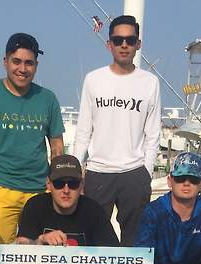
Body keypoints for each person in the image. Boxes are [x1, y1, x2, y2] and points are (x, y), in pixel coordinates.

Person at [0, 32, 65, 243]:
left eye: (29, 63)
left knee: (43, 252)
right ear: (5, 61)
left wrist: (55, 183)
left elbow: (56, 146)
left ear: (36, 65)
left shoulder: (48, 98)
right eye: (16, 61)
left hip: (39, 190)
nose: (22, 69)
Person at [72, 14, 161, 247]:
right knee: (92, 241)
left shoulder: (150, 82)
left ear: (138, 44)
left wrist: (146, 172)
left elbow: (153, 134)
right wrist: (74, 172)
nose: (124, 45)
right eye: (118, 40)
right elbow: (83, 131)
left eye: (130, 40)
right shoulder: (93, 80)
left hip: (134, 173)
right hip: (98, 172)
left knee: (135, 242)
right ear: (108, 44)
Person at [15, 155, 119, 246]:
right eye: (59, 183)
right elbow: (21, 246)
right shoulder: (35, 206)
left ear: (82, 185)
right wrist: (40, 241)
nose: (66, 190)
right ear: (48, 184)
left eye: (73, 184)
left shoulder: (94, 211)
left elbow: (113, 253)